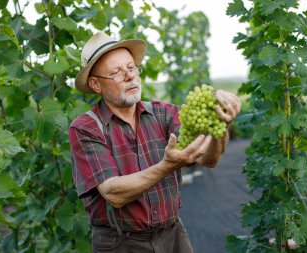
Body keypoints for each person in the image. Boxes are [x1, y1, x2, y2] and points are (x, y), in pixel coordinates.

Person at [68, 31, 241, 253]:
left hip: (173, 236)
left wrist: (220, 124)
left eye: (131, 68)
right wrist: (166, 166)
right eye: (116, 73)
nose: (129, 76)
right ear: (95, 84)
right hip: (122, 244)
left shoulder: (163, 113)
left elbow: (209, 159)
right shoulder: (86, 128)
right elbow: (113, 193)